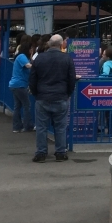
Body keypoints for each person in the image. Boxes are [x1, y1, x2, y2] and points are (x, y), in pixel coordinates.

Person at [28, 34, 75, 163]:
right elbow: (71, 78)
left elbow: (32, 78)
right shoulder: (67, 58)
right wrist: (68, 93)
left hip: (42, 96)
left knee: (41, 127)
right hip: (61, 96)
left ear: (49, 44)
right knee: (60, 127)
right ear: (61, 45)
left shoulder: (39, 58)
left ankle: (41, 153)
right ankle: (60, 153)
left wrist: (36, 93)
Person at [9, 38, 34, 133]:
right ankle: (28, 125)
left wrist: (31, 56)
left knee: (17, 106)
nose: (33, 50)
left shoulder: (20, 56)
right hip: (20, 84)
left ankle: (17, 127)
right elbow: (28, 66)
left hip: (15, 84)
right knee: (27, 105)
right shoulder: (22, 56)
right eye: (31, 48)